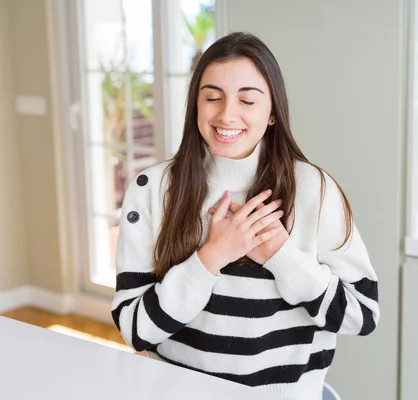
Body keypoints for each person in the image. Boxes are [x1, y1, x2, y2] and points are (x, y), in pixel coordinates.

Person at [111, 31, 379, 400]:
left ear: (272, 113)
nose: (227, 114)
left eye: (247, 100)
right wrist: (211, 257)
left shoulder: (314, 190)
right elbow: (135, 329)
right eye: (212, 98)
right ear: (196, 106)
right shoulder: (151, 189)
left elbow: (362, 316)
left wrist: (282, 259)